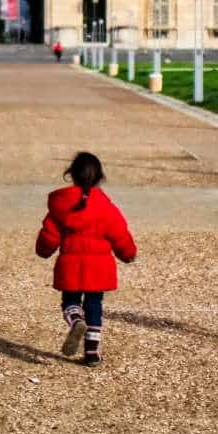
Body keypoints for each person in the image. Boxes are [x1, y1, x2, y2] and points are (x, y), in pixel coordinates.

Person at [35, 152, 137, 366]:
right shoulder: (106, 207)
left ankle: (75, 320)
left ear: (71, 175)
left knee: (70, 301)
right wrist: (128, 254)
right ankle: (92, 352)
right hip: (99, 268)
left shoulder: (60, 206)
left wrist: (43, 251)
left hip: (70, 265)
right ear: (100, 177)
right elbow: (120, 234)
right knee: (94, 304)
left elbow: (49, 235)